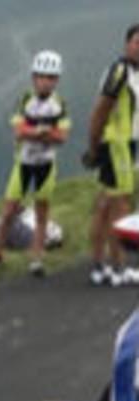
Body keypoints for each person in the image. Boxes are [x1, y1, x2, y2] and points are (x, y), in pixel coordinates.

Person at [0, 51, 70, 277]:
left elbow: (62, 137)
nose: (46, 82)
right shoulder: (24, 100)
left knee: (42, 214)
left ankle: (37, 259)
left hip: (46, 166)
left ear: (56, 80)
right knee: (9, 211)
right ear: (34, 77)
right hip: (23, 164)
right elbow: (18, 131)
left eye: (51, 78)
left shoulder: (59, 103)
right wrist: (44, 132)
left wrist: (37, 133)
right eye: (42, 77)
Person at [83, 24, 139, 287]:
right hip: (116, 145)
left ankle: (98, 265)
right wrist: (93, 147)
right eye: (137, 42)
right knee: (120, 206)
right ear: (127, 44)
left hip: (124, 144)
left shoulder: (132, 72)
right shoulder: (120, 72)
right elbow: (100, 111)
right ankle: (118, 266)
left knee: (105, 205)